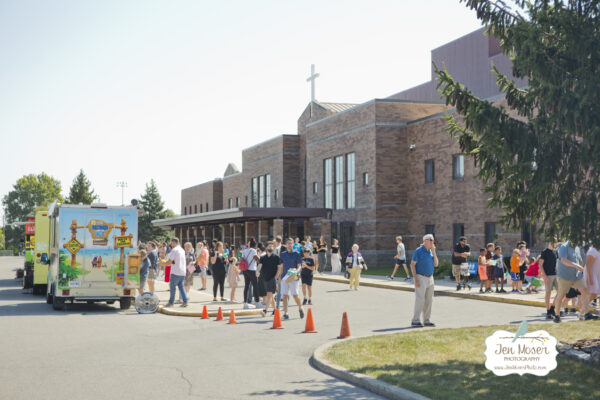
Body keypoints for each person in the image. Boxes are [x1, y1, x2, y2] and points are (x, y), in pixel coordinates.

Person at [553, 240, 595, 322]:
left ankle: (587, 314)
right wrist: (576, 265)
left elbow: (578, 260)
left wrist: (582, 269)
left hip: (576, 276)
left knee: (585, 291)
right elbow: (563, 260)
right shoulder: (564, 247)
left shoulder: (577, 248)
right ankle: (557, 316)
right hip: (565, 276)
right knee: (561, 295)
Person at [410, 234, 438, 327]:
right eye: (431, 240)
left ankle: (426, 320)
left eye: (433, 240)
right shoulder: (418, 251)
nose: (432, 242)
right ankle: (415, 320)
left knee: (429, 300)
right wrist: (416, 280)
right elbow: (412, 265)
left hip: (430, 277)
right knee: (420, 299)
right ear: (425, 241)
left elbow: (436, 264)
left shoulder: (431, 251)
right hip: (421, 277)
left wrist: (434, 252)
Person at [279, 238, 304, 320]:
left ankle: (300, 308)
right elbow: (281, 266)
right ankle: (286, 313)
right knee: (285, 295)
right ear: (286, 245)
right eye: (288, 243)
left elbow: (299, 266)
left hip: (293, 277)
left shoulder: (297, 254)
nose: (289, 245)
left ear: (293, 244)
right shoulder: (282, 254)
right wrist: (279, 276)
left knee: (295, 295)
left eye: (291, 243)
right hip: (284, 277)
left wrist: (296, 271)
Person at [257, 241, 282, 317]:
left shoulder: (276, 257)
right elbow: (260, 265)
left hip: (273, 278)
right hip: (265, 278)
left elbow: (279, 268)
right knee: (270, 295)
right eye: (269, 246)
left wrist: (276, 277)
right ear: (266, 247)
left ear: (273, 248)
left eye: (272, 246)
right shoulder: (263, 257)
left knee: (269, 294)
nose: (270, 247)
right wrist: (257, 271)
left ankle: (265, 310)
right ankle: (276, 310)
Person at [164, 237, 188, 308]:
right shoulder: (182, 250)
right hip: (182, 271)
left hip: (175, 271)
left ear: (174, 242)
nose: (171, 244)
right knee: (181, 287)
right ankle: (185, 301)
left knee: (172, 287)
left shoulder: (174, 250)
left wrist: (163, 263)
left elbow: (169, 261)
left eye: (171, 243)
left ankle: (171, 302)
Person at [539, 241, 559, 319]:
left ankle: (552, 308)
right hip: (548, 275)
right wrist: (544, 276)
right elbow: (540, 265)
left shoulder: (555, 252)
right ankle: (548, 311)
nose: (556, 243)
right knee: (548, 293)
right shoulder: (545, 252)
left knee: (560, 292)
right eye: (555, 242)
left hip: (555, 274)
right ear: (550, 242)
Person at [241, 239, 260, 308]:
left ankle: (245, 303)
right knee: (255, 286)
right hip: (252, 269)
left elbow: (242, 258)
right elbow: (256, 258)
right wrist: (260, 259)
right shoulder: (253, 250)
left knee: (246, 286)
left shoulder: (245, 250)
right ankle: (257, 302)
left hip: (245, 270)